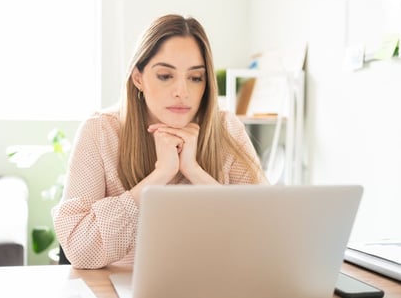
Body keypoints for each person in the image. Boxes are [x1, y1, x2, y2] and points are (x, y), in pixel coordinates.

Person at [52, 14, 268, 269]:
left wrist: (194, 172)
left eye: (195, 78)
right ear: (138, 78)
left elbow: (265, 232)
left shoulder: (226, 128)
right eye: (165, 76)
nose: (182, 91)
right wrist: (160, 175)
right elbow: (79, 248)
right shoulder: (100, 131)